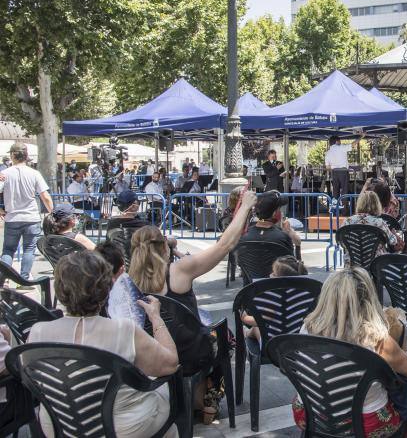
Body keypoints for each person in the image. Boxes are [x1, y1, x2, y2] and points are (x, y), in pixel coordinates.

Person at [127, 190, 257, 420]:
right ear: (163, 246)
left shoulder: (129, 280)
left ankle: (195, 395)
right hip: (190, 352)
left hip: (151, 352)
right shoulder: (178, 270)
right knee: (224, 337)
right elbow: (224, 245)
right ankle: (206, 396)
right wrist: (245, 207)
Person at [28, 251, 179, 438]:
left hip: (60, 425)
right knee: (164, 397)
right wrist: (155, 317)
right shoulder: (125, 330)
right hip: (122, 428)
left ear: (60, 289)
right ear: (106, 287)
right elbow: (171, 364)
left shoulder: (38, 332)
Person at [296, 267, 407, 435]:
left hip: (309, 414)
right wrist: (406, 353)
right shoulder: (376, 340)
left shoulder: (307, 328)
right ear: (368, 299)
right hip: (365, 424)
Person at [0, 142, 53, 280]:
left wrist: (0, 209)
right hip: (31, 217)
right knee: (29, 249)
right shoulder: (34, 173)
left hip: (12, 217)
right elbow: (45, 197)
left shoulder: (4, 174)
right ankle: (24, 278)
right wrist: (52, 213)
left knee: (8, 250)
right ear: (26, 156)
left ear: (12, 155)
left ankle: (3, 279)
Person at [241, 255, 308, 341]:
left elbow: (259, 322)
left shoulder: (273, 299)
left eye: (273, 273)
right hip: (300, 341)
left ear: (280, 280)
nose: (270, 275)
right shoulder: (307, 295)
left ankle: (247, 333)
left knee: (256, 328)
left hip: (274, 345)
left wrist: (244, 318)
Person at [341, 190, 403, 257]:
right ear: (377, 204)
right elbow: (393, 242)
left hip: (352, 263)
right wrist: (393, 234)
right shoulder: (379, 222)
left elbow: (341, 241)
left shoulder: (348, 221)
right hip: (376, 262)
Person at [325, 134, 362, 202]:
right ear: (336, 141)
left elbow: (327, 167)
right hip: (343, 171)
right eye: (340, 141)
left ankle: (336, 210)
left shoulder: (328, 152)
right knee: (344, 191)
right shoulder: (341, 147)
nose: (341, 142)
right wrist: (361, 136)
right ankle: (344, 210)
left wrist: (334, 168)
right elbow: (353, 144)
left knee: (335, 192)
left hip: (334, 172)